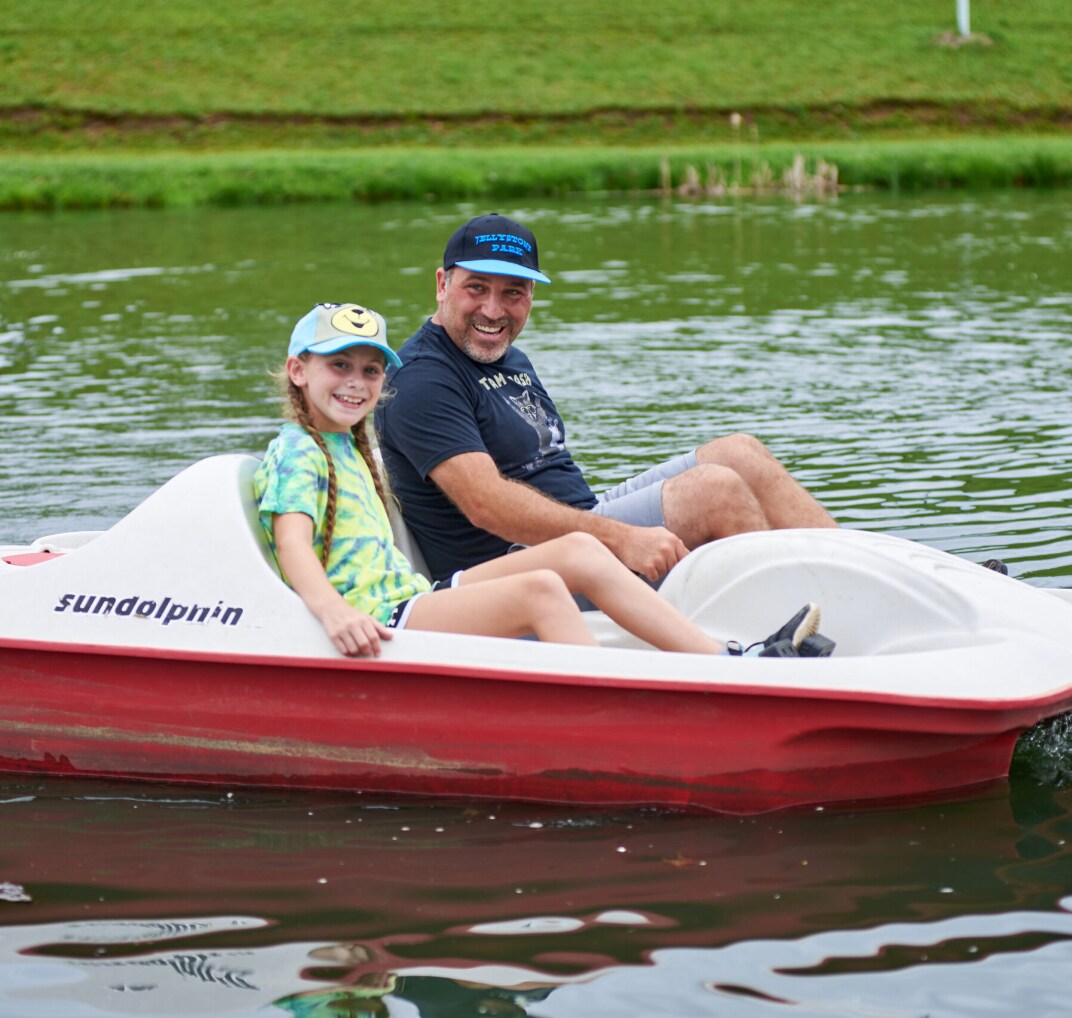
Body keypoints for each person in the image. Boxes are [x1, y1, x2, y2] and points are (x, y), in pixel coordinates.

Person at [254, 302, 834, 659]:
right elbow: (293, 545)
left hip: (413, 597)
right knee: (542, 589)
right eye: (339, 366)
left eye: (370, 370)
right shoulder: (299, 453)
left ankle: (727, 658)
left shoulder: (347, 448)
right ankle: (618, 712)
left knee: (580, 549)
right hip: (381, 616)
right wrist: (333, 613)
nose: (356, 382)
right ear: (298, 370)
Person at [376, 213, 838, 587]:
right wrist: (622, 538)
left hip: (582, 522)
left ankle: (853, 578)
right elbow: (486, 504)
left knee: (740, 453)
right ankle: (783, 629)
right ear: (442, 284)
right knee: (713, 492)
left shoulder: (506, 356)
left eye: (512, 293)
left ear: (531, 296)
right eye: (476, 287)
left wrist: (609, 530)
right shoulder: (422, 378)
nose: (494, 310)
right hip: (512, 569)